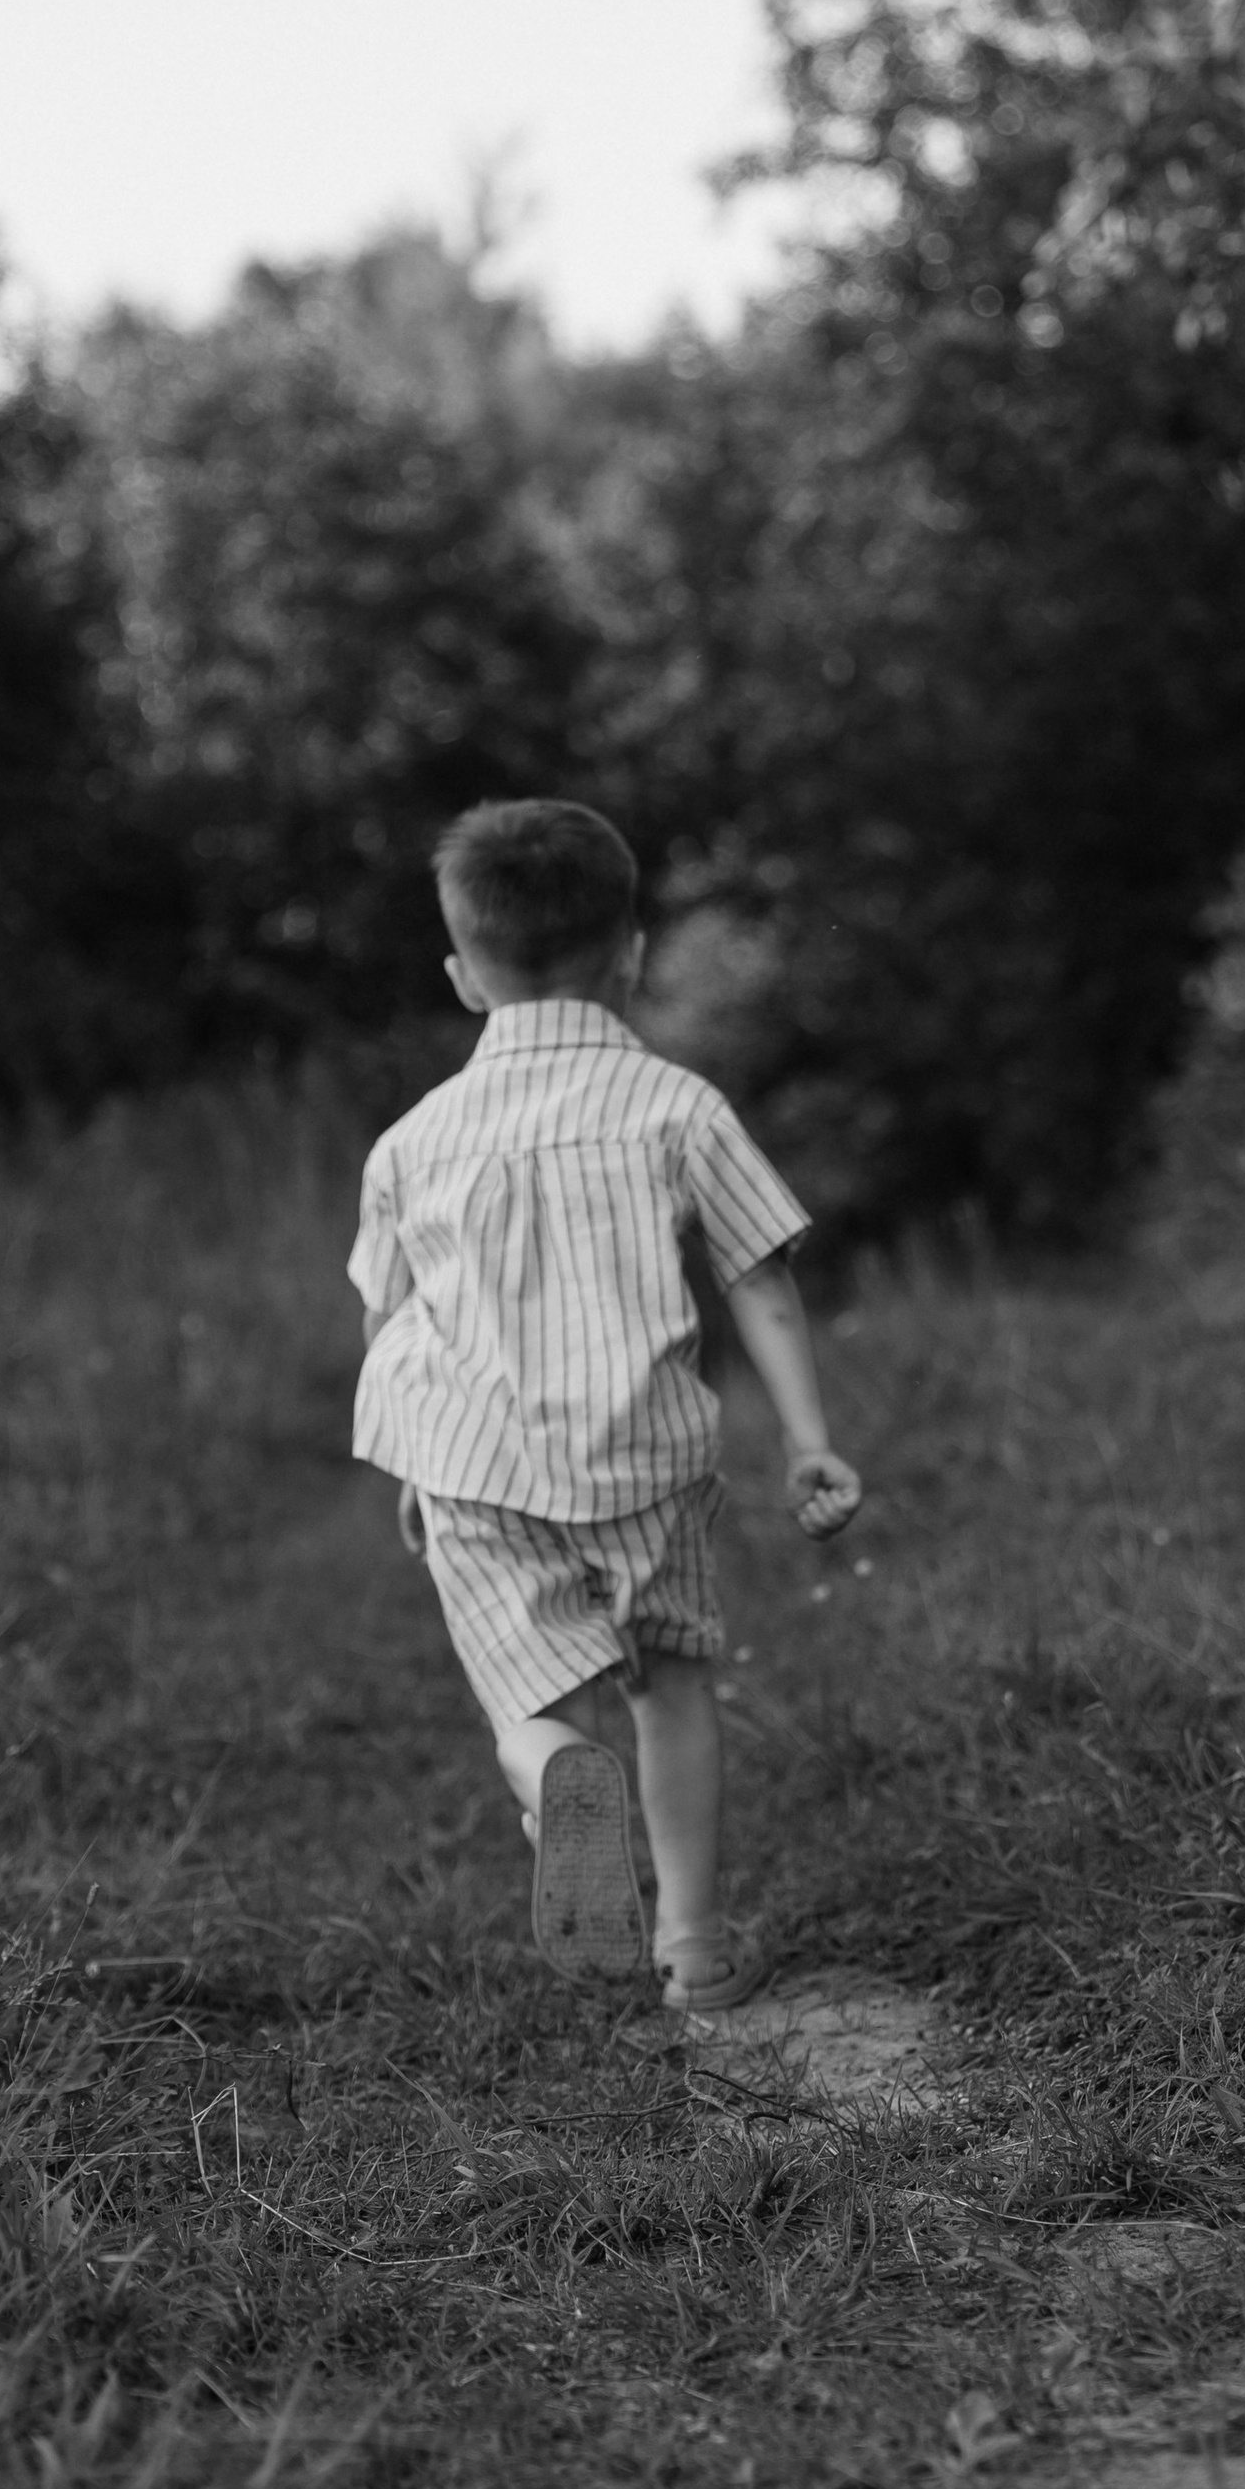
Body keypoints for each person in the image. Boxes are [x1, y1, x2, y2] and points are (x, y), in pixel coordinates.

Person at [350, 798, 863, 2013]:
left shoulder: (410, 1143)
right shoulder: (678, 1107)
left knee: (528, 1700)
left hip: (474, 1462)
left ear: (463, 977)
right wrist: (807, 1440)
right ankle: (693, 1945)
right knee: (670, 1687)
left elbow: (389, 1321)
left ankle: (555, 1774)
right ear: (629, 956)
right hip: (645, 1458)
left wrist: (412, 1468)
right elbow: (758, 1277)